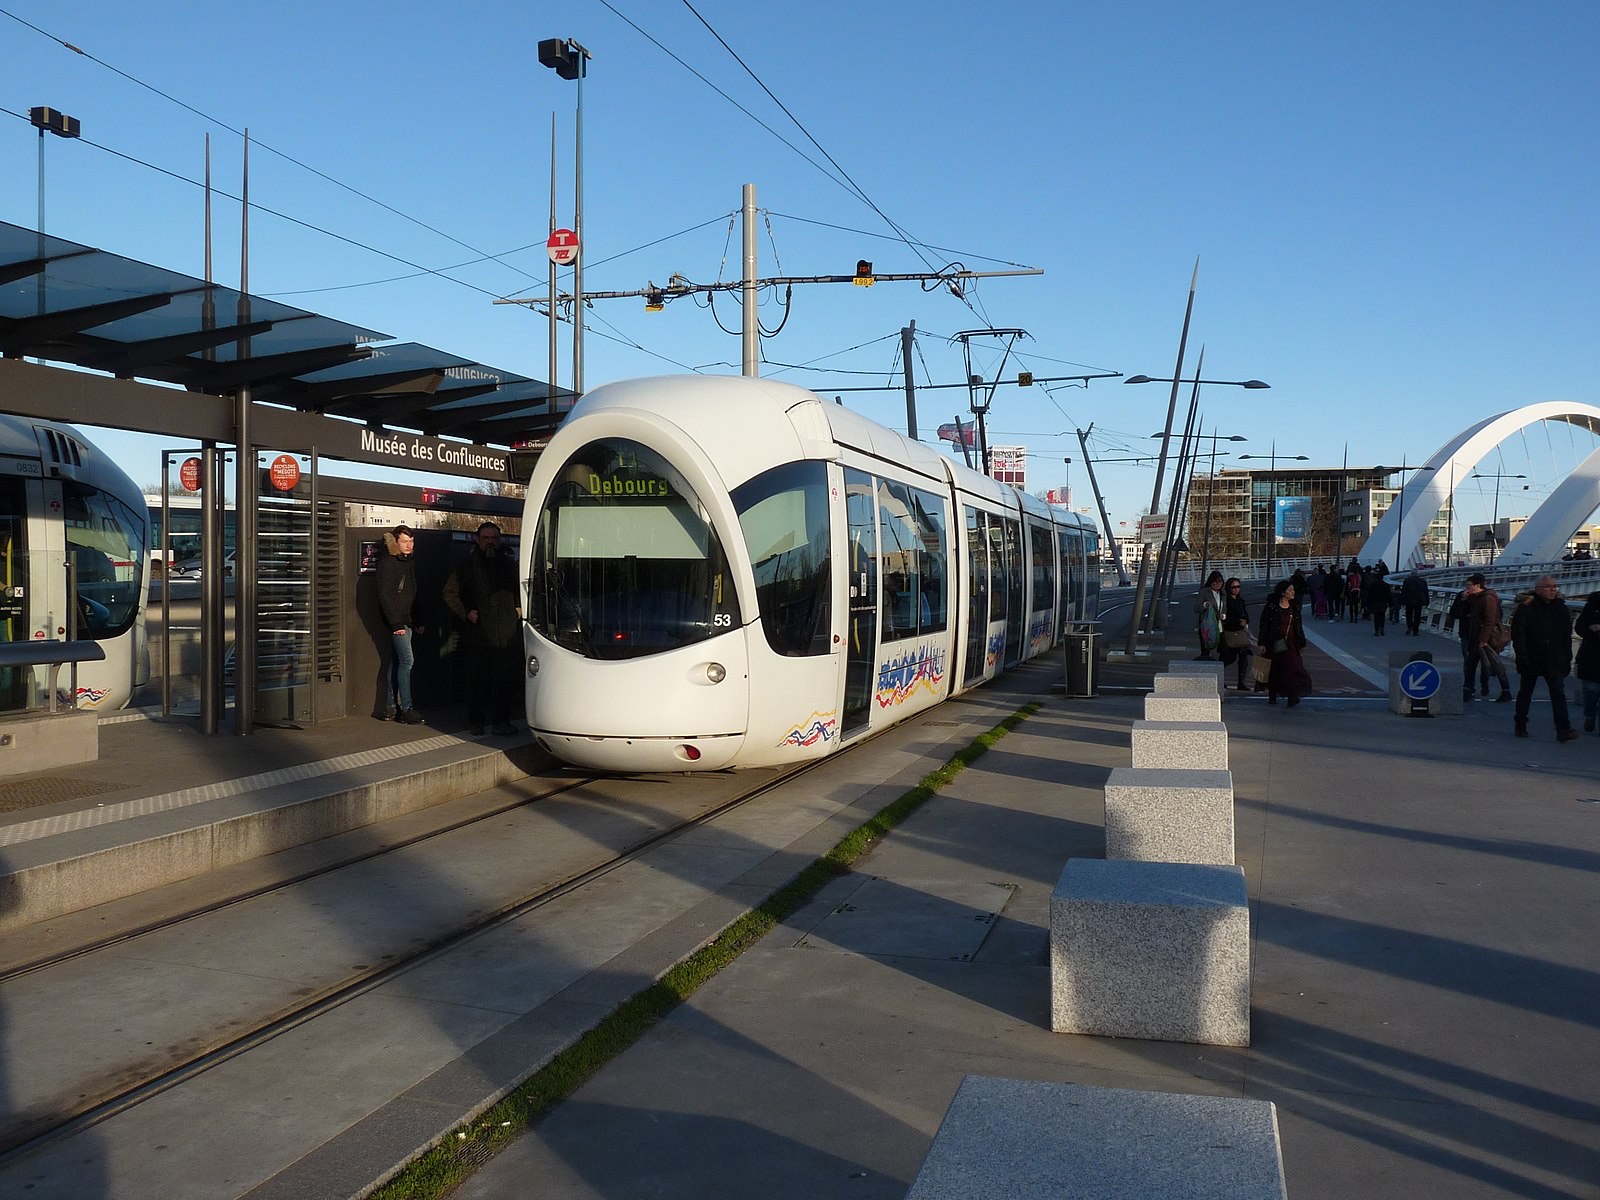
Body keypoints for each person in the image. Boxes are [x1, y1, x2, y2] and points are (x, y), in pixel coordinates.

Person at [443, 522, 524, 736]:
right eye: (486, 538)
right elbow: (449, 593)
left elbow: (520, 589)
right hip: (477, 635)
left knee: (503, 681)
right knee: (475, 681)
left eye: (494, 538)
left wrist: (517, 609)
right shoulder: (465, 566)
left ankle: (501, 722)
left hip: (505, 635)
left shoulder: (508, 564)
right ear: (477, 540)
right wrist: (465, 612)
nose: (491, 542)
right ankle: (476, 722)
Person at [1509, 575, 1577, 741]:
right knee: (1526, 692)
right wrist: (1522, 656)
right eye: (1548, 586)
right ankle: (1520, 723)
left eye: (1555, 586)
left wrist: (1567, 656)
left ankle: (1563, 729)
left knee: (1558, 694)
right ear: (1538, 589)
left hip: (1555, 658)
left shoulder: (1560, 608)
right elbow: (1519, 634)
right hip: (1532, 656)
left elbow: (1566, 635)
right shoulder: (1526, 608)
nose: (1553, 589)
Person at [376, 524, 426, 724]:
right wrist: (395, 623)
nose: (409, 545)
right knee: (407, 661)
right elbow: (385, 595)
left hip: (406, 621)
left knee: (397, 662)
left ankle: (390, 707)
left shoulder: (408, 562)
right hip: (398, 621)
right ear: (395, 542)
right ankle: (407, 707)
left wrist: (418, 620)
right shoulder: (388, 562)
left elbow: (412, 594)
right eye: (405, 541)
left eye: (411, 541)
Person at [1256, 580, 1311, 706]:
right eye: (1290, 590)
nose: (1293, 592)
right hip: (1274, 642)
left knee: (1293, 668)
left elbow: (1298, 625)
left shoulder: (1294, 606)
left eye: (1293, 590)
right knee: (1275, 669)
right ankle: (1272, 695)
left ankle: (1292, 695)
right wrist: (1262, 642)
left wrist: (1302, 642)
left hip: (1291, 642)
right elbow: (1264, 625)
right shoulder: (1271, 606)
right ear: (1282, 592)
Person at [1469, 575, 1512, 702]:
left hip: (1487, 638)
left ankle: (1505, 690)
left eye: (1469, 585)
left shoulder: (1488, 599)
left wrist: (1483, 639)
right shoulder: (1476, 598)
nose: (1467, 588)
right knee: (1475, 663)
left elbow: (1490, 620)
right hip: (1478, 637)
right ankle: (1471, 688)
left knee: (1494, 664)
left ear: (1477, 585)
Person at [1218, 577, 1254, 691]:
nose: (1236, 589)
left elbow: (1246, 615)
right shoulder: (1226, 602)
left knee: (1243, 657)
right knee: (1229, 658)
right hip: (1229, 632)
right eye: (1233, 587)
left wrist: (1245, 620)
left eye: (1238, 587)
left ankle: (1241, 682)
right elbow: (1225, 618)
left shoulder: (1241, 601)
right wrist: (1238, 621)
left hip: (1240, 632)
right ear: (1229, 588)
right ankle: (1217, 677)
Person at [1575, 589, 1600, 734]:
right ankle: (1589, 714)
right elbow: (1579, 627)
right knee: (1591, 690)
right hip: (1591, 655)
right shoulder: (1592, 604)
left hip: (1590, 654)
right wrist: (1592, 631)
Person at [1193, 570, 1224, 660]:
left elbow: (1224, 607)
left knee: (1224, 648)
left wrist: (1223, 615)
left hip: (1220, 625)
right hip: (1207, 625)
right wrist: (1205, 605)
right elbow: (1196, 608)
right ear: (1211, 581)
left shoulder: (1223, 593)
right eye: (1215, 582)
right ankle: (1205, 667)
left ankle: (1219, 666)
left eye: (1220, 582)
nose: (1218, 584)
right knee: (1206, 649)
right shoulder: (1205, 591)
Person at [1400, 568, 1430, 636]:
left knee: (1409, 614)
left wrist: (1402, 601)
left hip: (1409, 600)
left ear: (1411, 574)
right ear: (1417, 574)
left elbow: (1404, 592)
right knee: (1417, 615)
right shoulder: (1423, 581)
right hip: (1419, 601)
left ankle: (1409, 627)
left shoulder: (1407, 581)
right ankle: (1415, 630)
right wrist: (1427, 601)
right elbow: (1426, 592)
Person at [1365, 570, 1392, 636]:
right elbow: (1389, 595)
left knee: (1376, 617)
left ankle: (1376, 630)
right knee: (1382, 616)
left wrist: (1367, 604)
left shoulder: (1373, 585)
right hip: (1383, 603)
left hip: (1375, 603)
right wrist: (1391, 604)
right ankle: (1382, 629)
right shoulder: (1386, 585)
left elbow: (1369, 595)